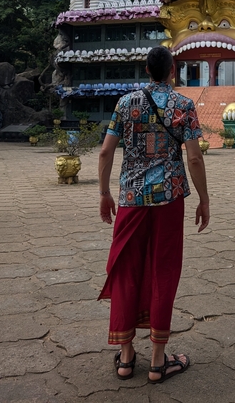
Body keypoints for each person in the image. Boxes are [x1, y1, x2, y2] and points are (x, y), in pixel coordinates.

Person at [98, 46, 210, 383]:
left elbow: (105, 151)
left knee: (126, 268)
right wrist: (204, 199)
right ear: (172, 70)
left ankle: (127, 356)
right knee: (164, 270)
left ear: (147, 69)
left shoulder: (126, 102)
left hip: (131, 199)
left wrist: (104, 194)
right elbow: (193, 158)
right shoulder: (184, 105)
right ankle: (159, 361)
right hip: (169, 198)